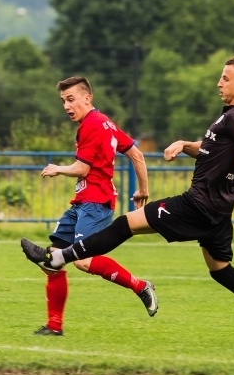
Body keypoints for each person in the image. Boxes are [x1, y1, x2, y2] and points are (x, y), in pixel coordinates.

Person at [22, 57, 234, 347]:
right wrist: (184, 144)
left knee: (124, 225)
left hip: (197, 205)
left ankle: (57, 258)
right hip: (217, 212)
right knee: (222, 272)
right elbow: (211, 151)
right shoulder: (230, 116)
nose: (219, 83)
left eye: (225, 78)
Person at [26, 75, 157, 337]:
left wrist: (58, 169)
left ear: (88, 97)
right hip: (83, 202)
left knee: (82, 261)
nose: (66, 105)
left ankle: (141, 286)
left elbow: (82, 168)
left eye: (71, 99)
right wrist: (143, 190)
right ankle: (54, 326)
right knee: (51, 261)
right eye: (63, 100)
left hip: (96, 203)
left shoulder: (92, 125)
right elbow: (137, 154)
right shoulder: (105, 122)